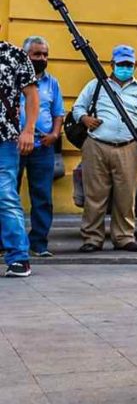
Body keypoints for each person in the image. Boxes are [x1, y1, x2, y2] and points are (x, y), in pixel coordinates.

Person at [73, 45, 137, 253]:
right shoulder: (96, 85)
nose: (125, 68)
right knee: (95, 195)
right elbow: (77, 107)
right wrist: (85, 118)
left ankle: (124, 237)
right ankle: (92, 238)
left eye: (129, 64)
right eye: (122, 64)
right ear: (112, 64)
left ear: (134, 65)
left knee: (126, 196)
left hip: (129, 147)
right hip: (97, 145)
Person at [18, 36, 64, 258]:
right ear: (25, 55)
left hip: (43, 147)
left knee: (42, 197)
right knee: (8, 194)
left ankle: (38, 243)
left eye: (45, 54)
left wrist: (54, 135)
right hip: (14, 145)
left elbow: (58, 113)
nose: (42, 58)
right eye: (37, 54)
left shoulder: (52, 83)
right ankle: (7, 242)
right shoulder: (13, 78)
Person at [0, 22, 39, 277]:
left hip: (4, 138)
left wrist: (29, 130)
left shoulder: (14, 55)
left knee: (5, 195)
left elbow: (32, 95)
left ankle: (18, 257)